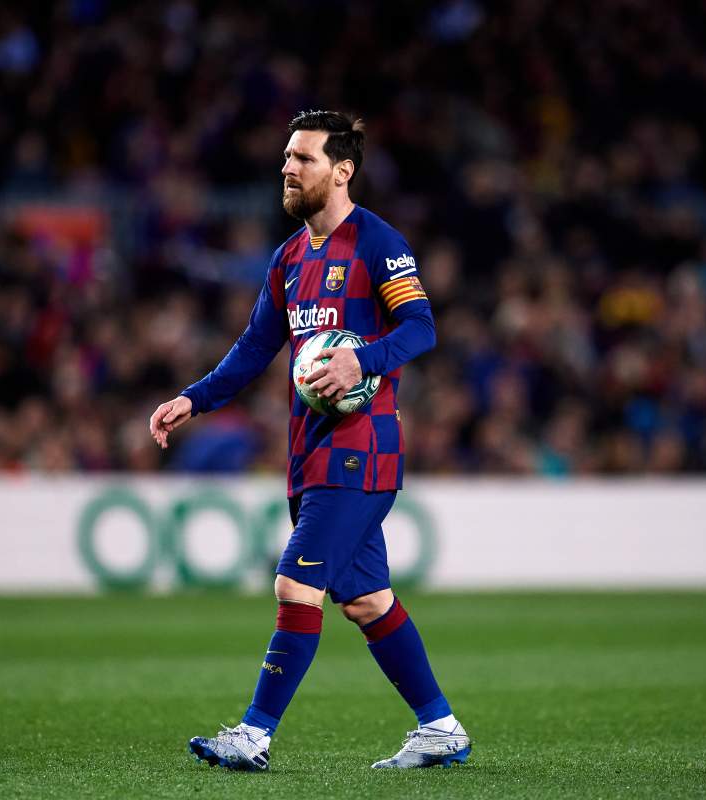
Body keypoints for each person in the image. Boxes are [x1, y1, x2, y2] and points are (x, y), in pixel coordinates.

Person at [148, 110, 469, 771]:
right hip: (310, 452)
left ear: (341, 171)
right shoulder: (290, 258)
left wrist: (363, 360)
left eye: (304, 158)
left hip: (362, 449)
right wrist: (193, 398)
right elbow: (254, 347)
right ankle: (441, 727)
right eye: (287, 158)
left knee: (296, 585)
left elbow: (421, 326)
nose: (288, 168)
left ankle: (254, 735)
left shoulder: (378, 243)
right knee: (367, 601)